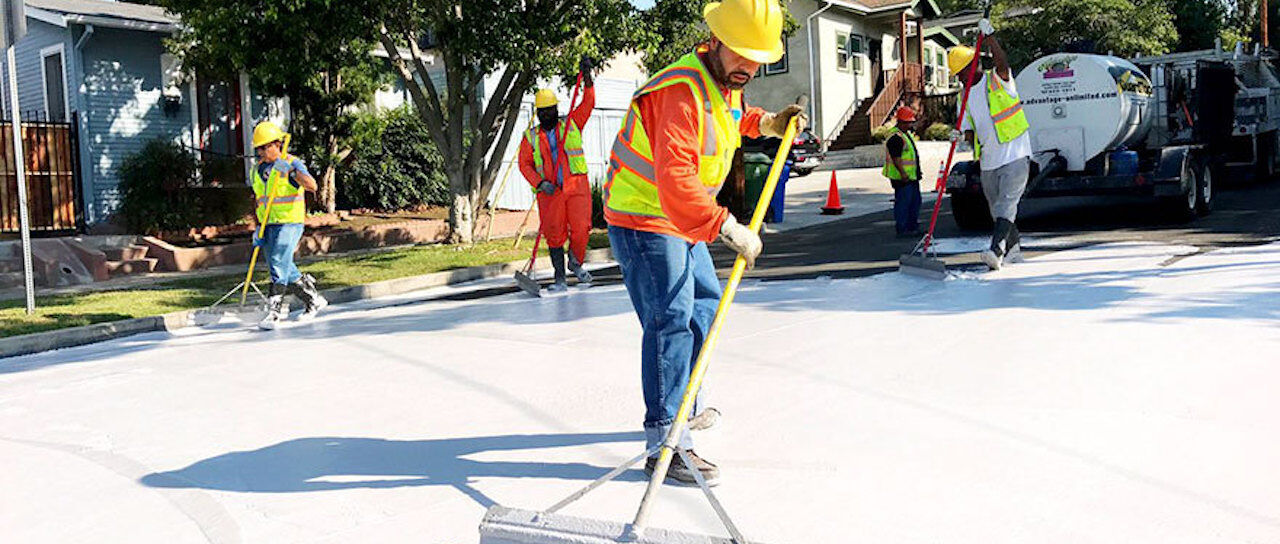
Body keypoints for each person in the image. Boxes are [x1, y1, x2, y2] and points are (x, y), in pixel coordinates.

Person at [603, 0, 805, 486]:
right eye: (741, 53)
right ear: (714, 39)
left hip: (682, 220)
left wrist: (767, 124)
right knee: (670, 319)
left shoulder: (720, 82)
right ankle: (665, 443)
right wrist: (728, 227)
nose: (749, 67)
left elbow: (728, 120)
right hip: (646, 217)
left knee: (705, 309)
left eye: (757, 57)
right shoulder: (678, 91)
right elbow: (675, 182)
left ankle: (683, 405)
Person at [949, 18, 1031, 270]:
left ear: (973, 66)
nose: (960, 78)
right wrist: (959, 136)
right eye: (957, 75)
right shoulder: (964, 97)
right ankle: (1015, 251)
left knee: (1007, 204)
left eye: (961, 72)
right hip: (988, 161)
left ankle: (996, 250)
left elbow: (1002, 63)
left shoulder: (997, 80)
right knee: (998, 211)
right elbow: (971, 132)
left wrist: (991, 37)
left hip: (1015, 153)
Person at [519, 57, 596, 292]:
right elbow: (525, 165)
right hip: (550, 192)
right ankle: (560, 279)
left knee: (582, 228)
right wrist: (540, 183)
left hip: (576, 187)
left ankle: (575, 261)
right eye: (541, 112)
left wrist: (589, 79)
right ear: (537, 112)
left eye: (549, 110)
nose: (546, 115)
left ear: (556, 109)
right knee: (554, 235)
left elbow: (588, 104)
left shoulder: (572, 124)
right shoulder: (530, 136)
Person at [249, 121, 327, 330]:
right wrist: (256, 226)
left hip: (289, 222)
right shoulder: (257, 170)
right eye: (259, 148)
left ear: (277, 144)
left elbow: (312, 185)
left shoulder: (291, 162)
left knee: (277, 262)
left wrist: (291, 173)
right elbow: (257, 199)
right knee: (285, 267)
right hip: (268, 223)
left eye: (265, 147)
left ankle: (274, 313)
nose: (261, 152)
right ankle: (312, 298)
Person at [884, 106, 922, 237]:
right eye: (907, 122)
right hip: (902, 178)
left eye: (910, 122)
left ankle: (912, 227)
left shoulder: (905, 135)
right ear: (900, 121)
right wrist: (903, 173)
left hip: (911, 177)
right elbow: (896, 158)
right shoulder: (896, 137)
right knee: (904, 204)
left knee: (914, 202)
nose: (909, 124)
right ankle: (903, 229)